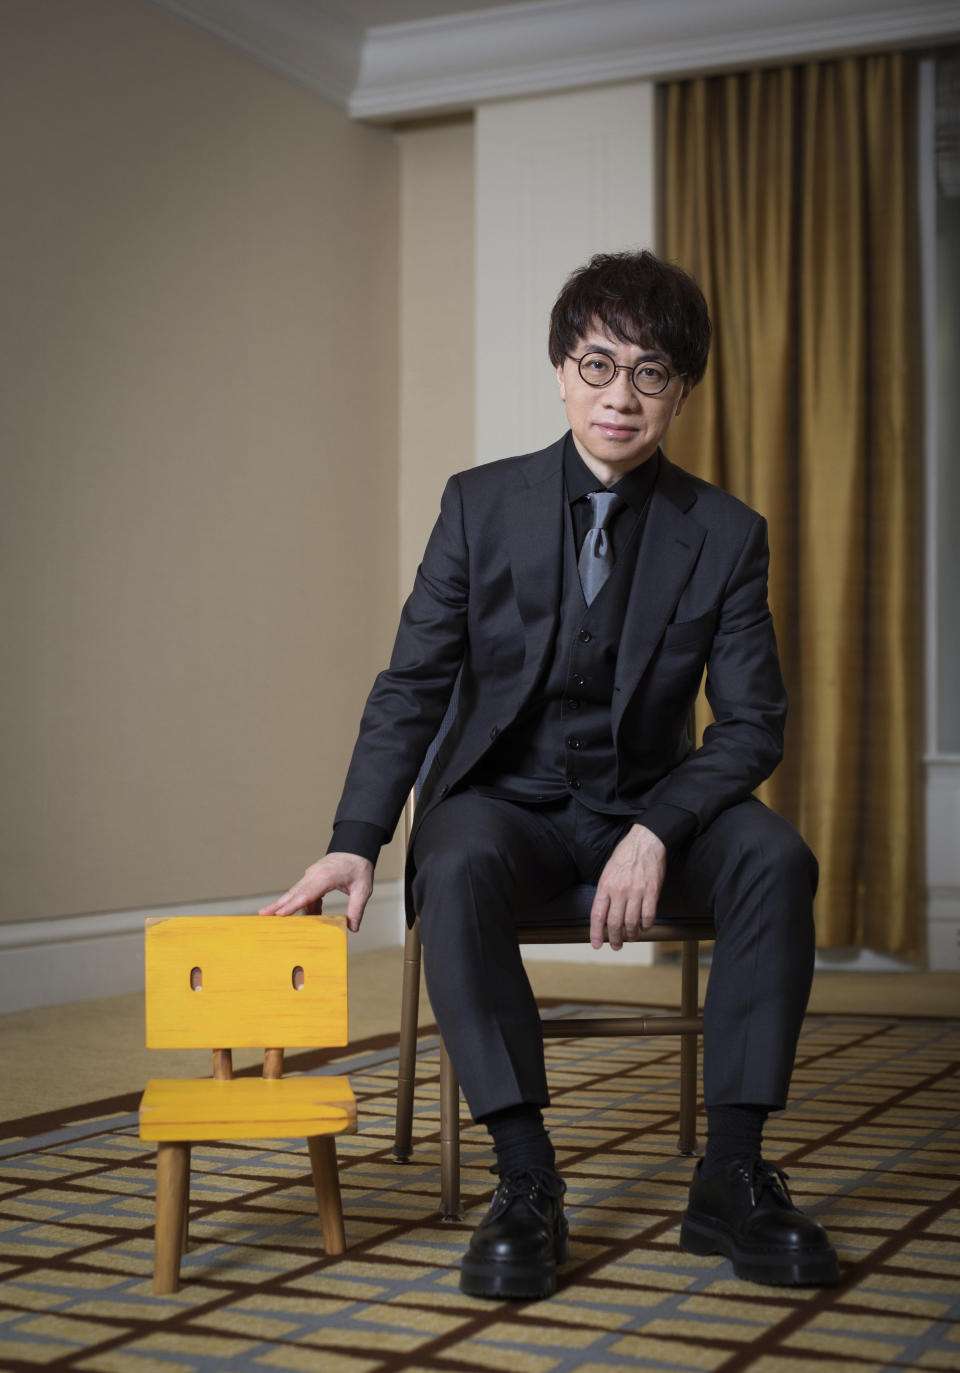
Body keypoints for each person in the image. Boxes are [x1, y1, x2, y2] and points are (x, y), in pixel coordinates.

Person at [262, 250, 839, 1299]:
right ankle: (526, 1177)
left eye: (651, 372)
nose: (621, 394)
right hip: (508, 803)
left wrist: (660, 827)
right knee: (456, 857)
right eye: (599, 363)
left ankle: (732, 1174)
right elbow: (414, 684)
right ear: (561, 371)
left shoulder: (726, 534)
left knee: (775, 856)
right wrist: (355, 838)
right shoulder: (480, 505)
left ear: (682, 391)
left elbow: (755, 723)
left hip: (652, 806)